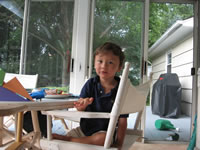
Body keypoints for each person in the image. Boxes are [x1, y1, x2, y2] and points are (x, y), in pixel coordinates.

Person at [52, 42, 128, 148]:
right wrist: (82, 106)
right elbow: (80, 108)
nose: (104, 66)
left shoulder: (122, 88)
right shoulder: (90, 84)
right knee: (58, 143)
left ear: (119, 67)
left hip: (105, 133)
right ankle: (74, 140)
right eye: (100, 61)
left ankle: (70, 140)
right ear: (94, 63)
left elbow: (122, 120)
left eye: (110, 62)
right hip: (84, 130)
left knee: (103, 139)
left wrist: (119, 143)